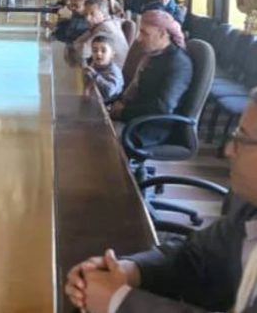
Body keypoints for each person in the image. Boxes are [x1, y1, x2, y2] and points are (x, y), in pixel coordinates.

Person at [65, 88, 257, 313]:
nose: (228, 150)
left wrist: (120, 303)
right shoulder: (246, 202)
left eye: (242, 139)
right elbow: (197, 256)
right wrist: (130, 271)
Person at [109, 10, 192, 147]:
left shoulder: (179, 63)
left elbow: (162, 107)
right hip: (136, 117)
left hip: (152, 127)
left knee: (102, 140)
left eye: (144, 33)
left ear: (162, 34)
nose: (139, 38)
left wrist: (123, 112)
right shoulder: (154, 55)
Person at [73, 0, 129, 67]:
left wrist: (78, 44)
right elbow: (78, 43)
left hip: (112, 71)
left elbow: (84, 52)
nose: (87, 18)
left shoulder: (105, 28)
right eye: (86, 14)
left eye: (92, 14)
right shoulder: (107, 22)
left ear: (103, 14)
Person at [84, 35, 124, 102]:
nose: (98, 53)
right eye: (95, 50)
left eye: (103, 51)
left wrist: (95, 75)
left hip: (107, 104)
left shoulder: (114, 71)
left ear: (112, 55)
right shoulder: (95, 65)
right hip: (95, 97)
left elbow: (109, 91)